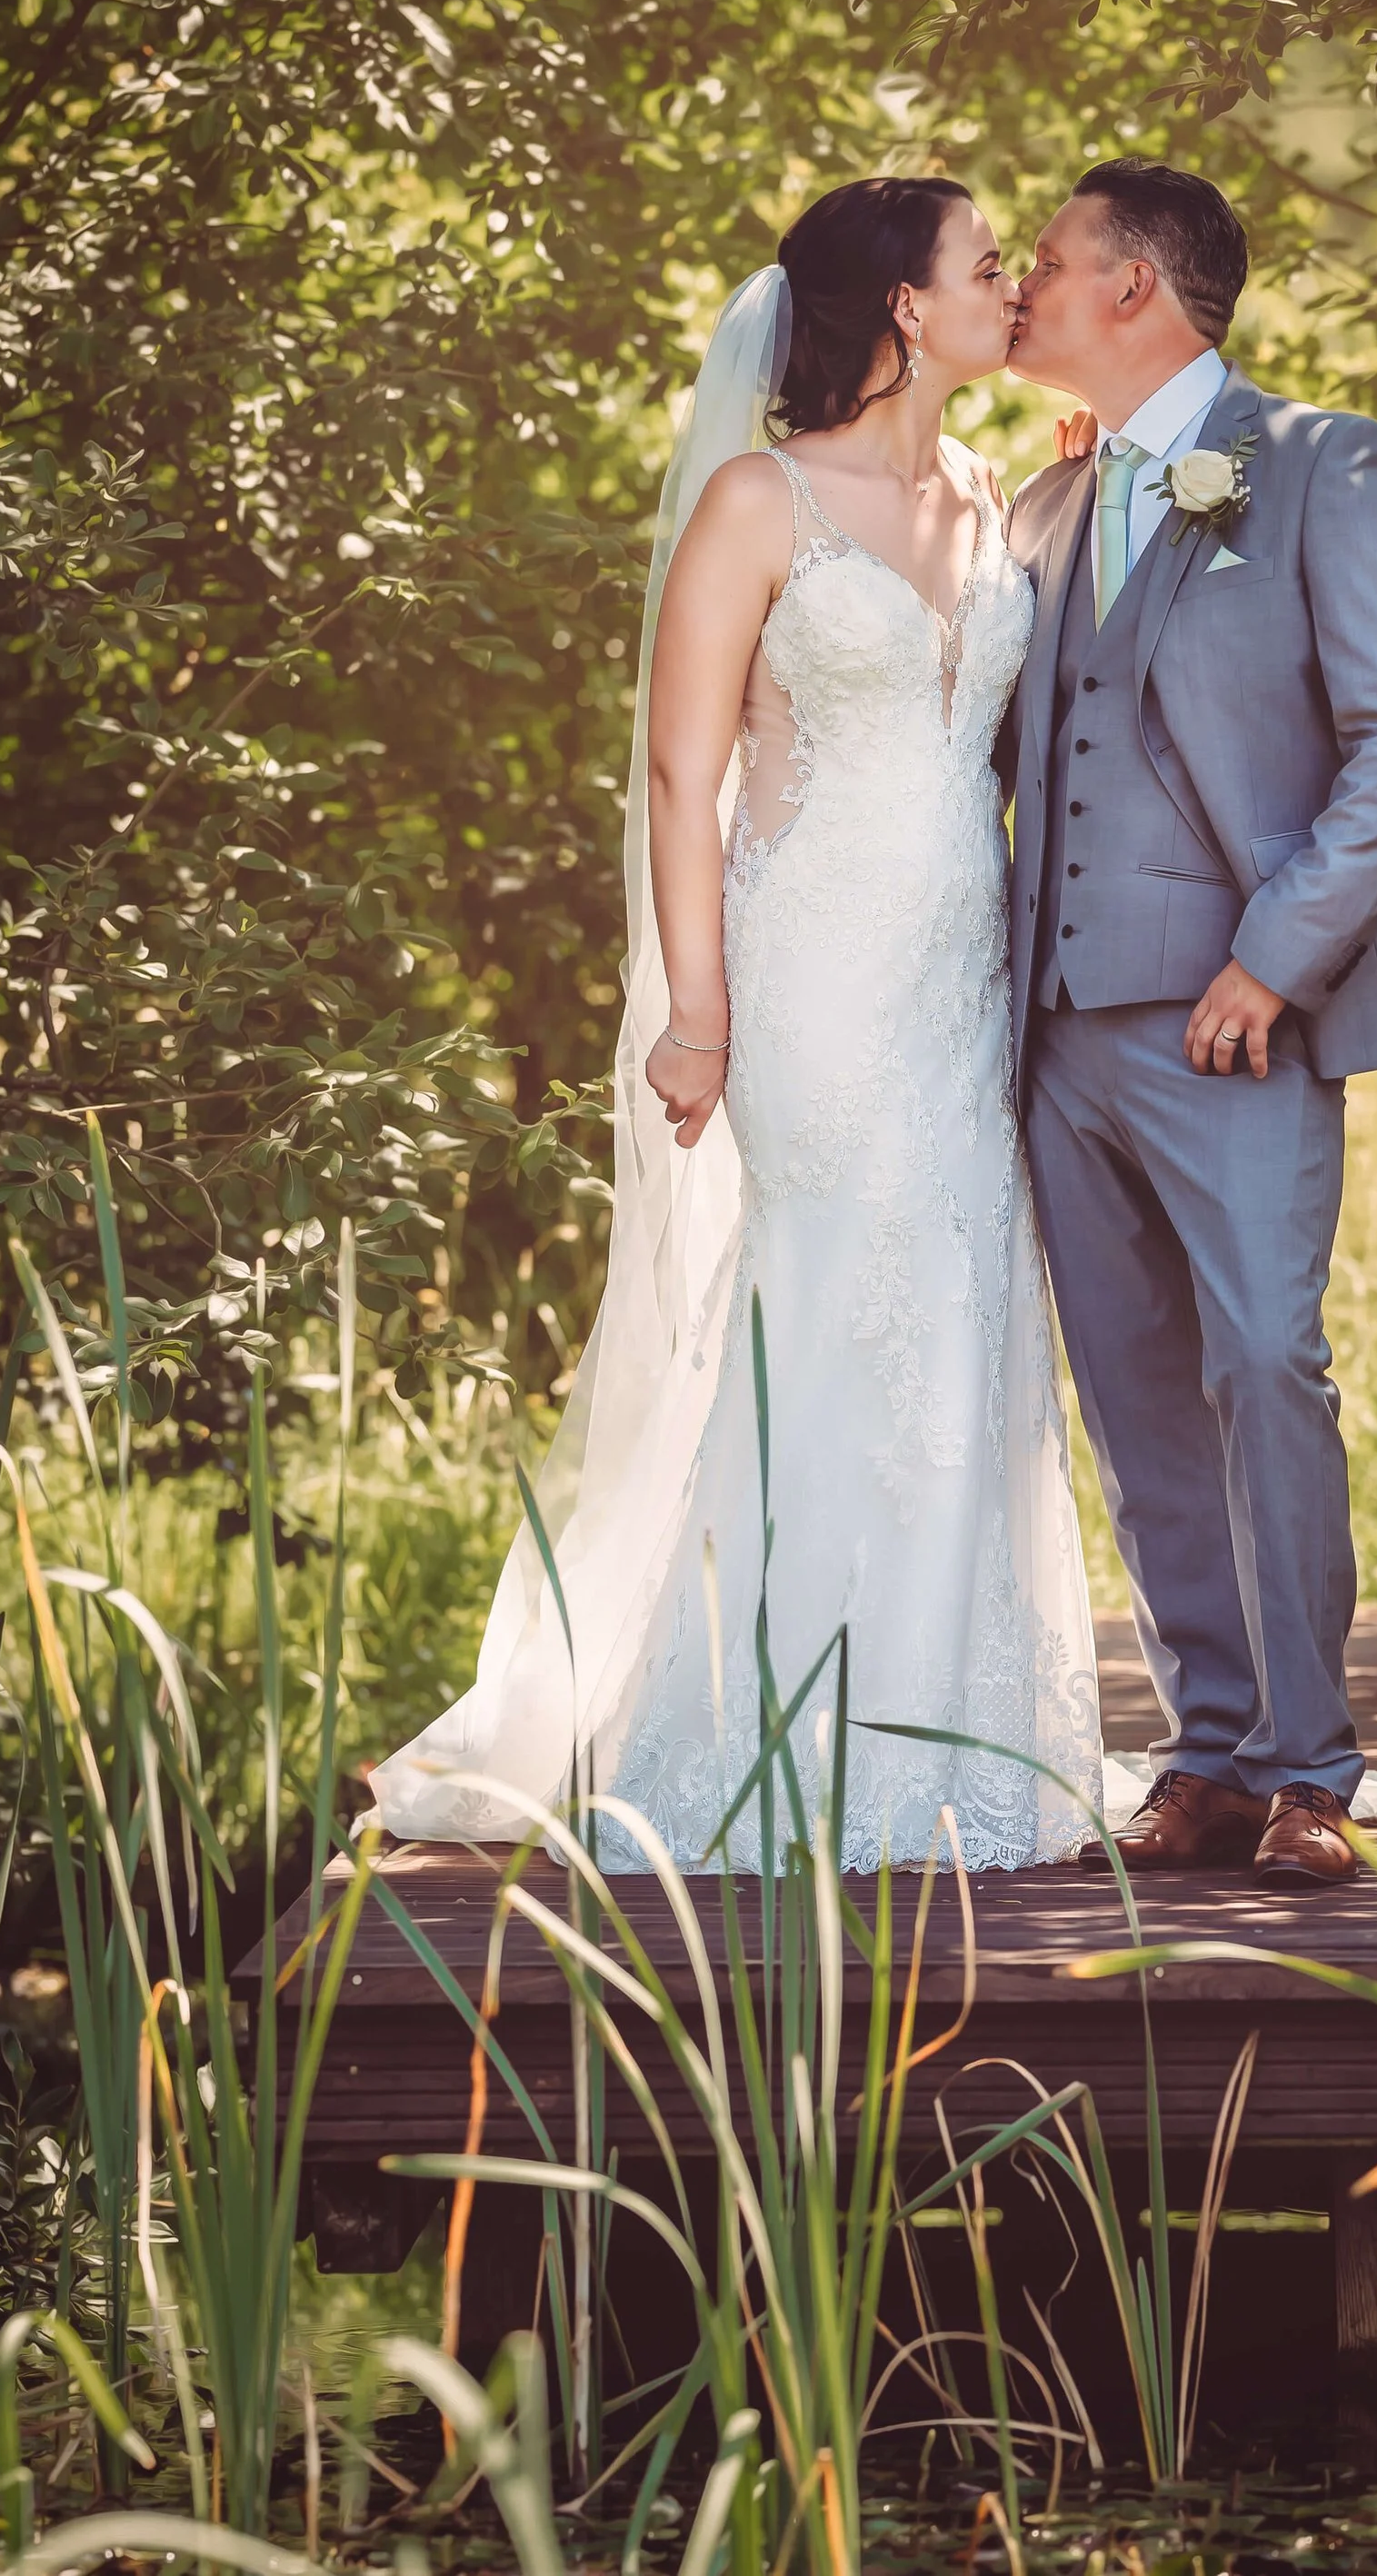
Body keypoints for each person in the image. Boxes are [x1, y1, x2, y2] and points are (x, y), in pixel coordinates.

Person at [370, 180, 1102, 1867]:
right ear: (909, 312)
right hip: (810, 980)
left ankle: (951, 1725)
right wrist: (696, 1012)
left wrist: (1090, 471)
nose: (1013, 283)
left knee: (967, 1305)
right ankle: (772, 1728)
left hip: (959, 982)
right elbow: (681, 772)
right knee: (831, 1299)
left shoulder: (1000, 495)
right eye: (987, 265)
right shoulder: (758, 503)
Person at [1003, 159, 1377, 1885]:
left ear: (1136, 288)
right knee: (1130, 1395)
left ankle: (1310, 1771)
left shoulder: (1323, 463)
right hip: (1053, 1033)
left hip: (1237, 1020)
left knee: (1266, 1360)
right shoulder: (1042, 512)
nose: (1024, 293)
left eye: (1048, 267)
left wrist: (1272, 960)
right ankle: (1202, 1751)